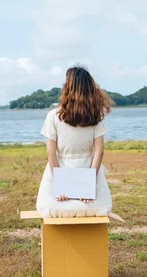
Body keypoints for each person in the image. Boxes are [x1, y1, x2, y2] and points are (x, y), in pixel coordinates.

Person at [36, 65, 113, 218]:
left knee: (49, 207)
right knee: (98, 207)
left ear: (67, 87)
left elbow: (50, 153)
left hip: (59, 175)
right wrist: (87, 185)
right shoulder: (95, 116)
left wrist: (60, 186)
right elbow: (99, 151)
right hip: (88, 174)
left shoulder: (53, 116)